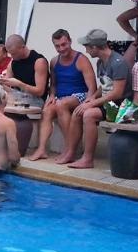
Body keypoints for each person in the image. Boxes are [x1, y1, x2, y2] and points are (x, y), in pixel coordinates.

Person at [56, 29, 132, 169]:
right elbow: (105, 85)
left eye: (87, 46)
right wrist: (91, 98)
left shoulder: (118, 63)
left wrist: (92, 104)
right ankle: (71, 152)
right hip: (109, 103)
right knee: (78, 111)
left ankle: (87, 159)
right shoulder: (100, 62)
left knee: (88, 114)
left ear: (95, 47)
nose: (85, 50)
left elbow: (117, 93)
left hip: (124, 107)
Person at [29, 29, 96, 161]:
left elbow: (92, 87)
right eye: (57, 46)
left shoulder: (81, 59)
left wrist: (88, 104)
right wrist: (51, 96)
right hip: (61, 97)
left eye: (64, 44)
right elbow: (53, 85)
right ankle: (41, 149)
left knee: (61, 104)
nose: (61, 48)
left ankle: (70, 149)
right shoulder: (54, 61)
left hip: (80, 95)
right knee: (47, 110)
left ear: (70, 41)